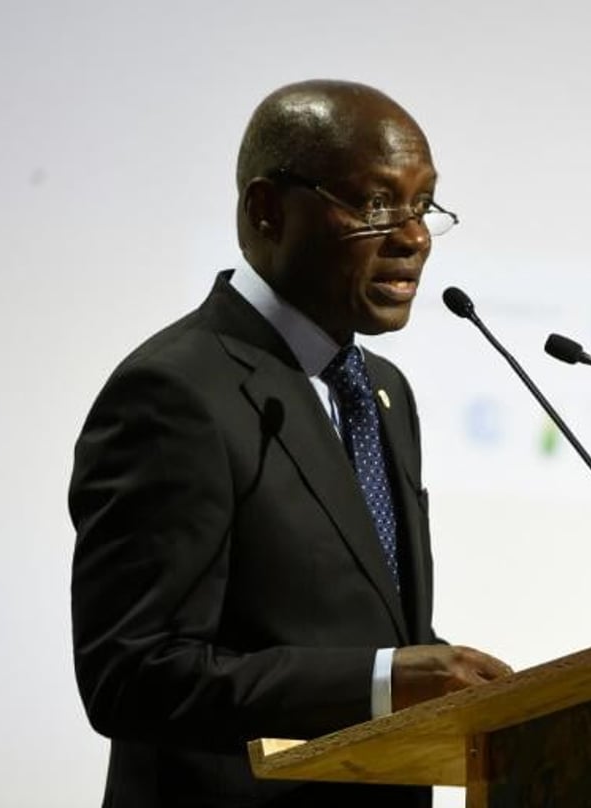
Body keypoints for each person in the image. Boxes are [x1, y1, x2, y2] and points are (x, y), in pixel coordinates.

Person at [69, 79, 512, 808]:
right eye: (377, 203)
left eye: (423, 202)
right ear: (267, 209)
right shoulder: (175, 392)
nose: (413, 236)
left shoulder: (383, 392)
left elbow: (366, 622)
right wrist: (380, 682)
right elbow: (131, 673)